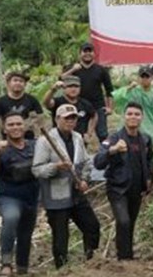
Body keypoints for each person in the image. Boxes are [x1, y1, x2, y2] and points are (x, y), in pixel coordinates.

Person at [32, 104, 101, 268]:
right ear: (57, 119)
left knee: (92, 227)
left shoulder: (77, 137)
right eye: (67, 118)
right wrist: (55, 167)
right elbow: (37, 169)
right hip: (56, 195)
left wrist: (84, 180)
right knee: (61, 237)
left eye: (73, 118)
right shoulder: (45, 141)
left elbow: (85, 163)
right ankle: (62, 269)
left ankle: (90, 262)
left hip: (76, 193)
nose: (70, 121)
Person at [94, 102, 153, 260]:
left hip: (136, 189)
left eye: (137, 114)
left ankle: (128, 257)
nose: (133, 117)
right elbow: (98, 162)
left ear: (142, 117)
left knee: (131, 224)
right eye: (129, 114)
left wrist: (149, 179)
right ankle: (124, 258)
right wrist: (112, 150)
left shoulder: (145, 139)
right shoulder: (114, 138)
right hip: (117, 189)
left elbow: (149, 161)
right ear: (124, 117)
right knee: (124, 221)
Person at [0, 112, 40, 276]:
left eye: (18, 124)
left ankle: (22, 268)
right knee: (11, 218)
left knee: (26, 234)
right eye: (11, 125)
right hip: (10, 197)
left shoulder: (34, 145)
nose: (15, 127)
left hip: (32, 198)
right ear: (5, 129)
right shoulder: (1, 148)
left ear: (24, 126)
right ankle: (6, 263)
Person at [62, 42, 114, 142]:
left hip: (98, 106)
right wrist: (73, 69)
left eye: (90, 51)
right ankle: (79, 156)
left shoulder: (101, 70)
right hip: (80, 107)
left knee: (103, 134)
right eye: (84, 51)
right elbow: (61, 79)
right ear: (80, 54)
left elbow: (109, 90)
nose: (87, 54)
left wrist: (110, 107)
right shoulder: (73, 68)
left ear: (94, 54)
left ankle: (106, 155)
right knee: (79, 135)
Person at [112, 66, 153, 155]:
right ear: (138, 78)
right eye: (142, 76)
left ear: (152, 78)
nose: (145, 79)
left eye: (147, 76)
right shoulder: (132, 92)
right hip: (130, 131)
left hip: (152, 134)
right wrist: (128, 88)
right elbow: (116, 98)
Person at [0, 71, 44, 140]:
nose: (18, 83)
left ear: (25, 84)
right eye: (15, 80)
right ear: (8, 83)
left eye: (21, 81)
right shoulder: (0, 101)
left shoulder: (32, 100)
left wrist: (41, 134)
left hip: (28, 138)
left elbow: (40, 117)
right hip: (8, 139)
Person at [43, 75, 98, 145]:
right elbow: (46, 103)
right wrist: (53, 90)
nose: (73, 89)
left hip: (80, 141)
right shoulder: (58, 102)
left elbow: (94, 115)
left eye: (76, 86)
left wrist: (89, 132)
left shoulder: (85, 104)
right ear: (64, 88)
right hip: (59, 141)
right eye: (70, 86)